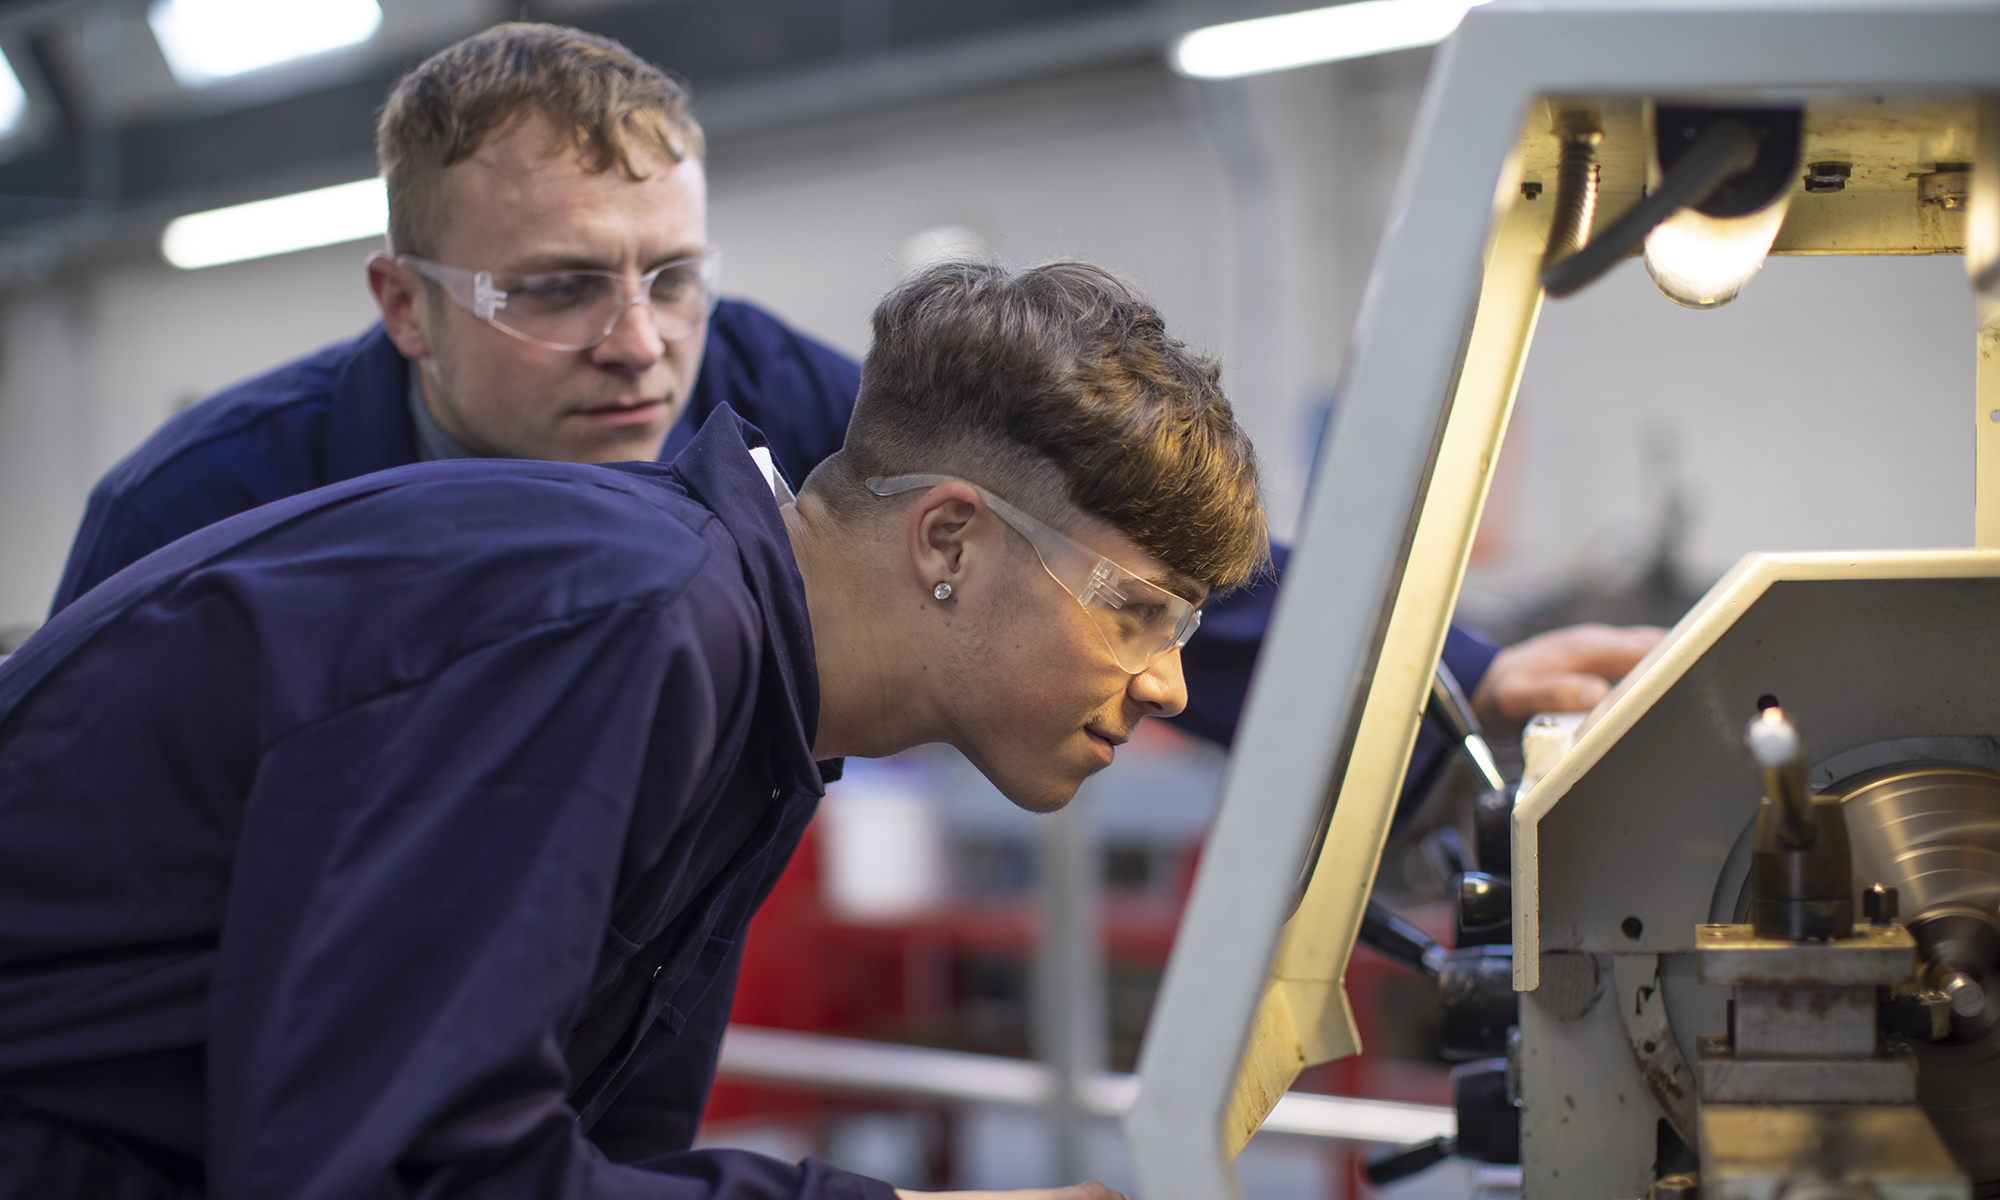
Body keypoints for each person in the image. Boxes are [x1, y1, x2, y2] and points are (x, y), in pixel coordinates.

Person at [0, 259, 1257, 1200]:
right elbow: (390, 1192)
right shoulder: (632, 625)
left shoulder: (750, 693)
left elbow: (572, 1169)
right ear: (946, 540)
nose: (1170, 688)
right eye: (1135, 611)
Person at [44, 21, 1659, 781]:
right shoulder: (200, 520)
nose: (639, 344)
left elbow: (1113, 557)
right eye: (555, 289)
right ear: (402, 303)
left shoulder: (759, 390)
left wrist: (1459, 671)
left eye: (668, 273)